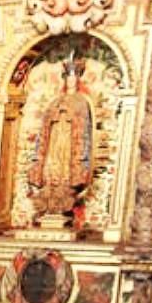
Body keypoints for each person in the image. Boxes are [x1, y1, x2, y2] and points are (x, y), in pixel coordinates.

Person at [29, 56, 94, 217]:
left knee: (66, 171)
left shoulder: (82, 101)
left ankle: (65, 196)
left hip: (71, 142)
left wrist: (70, 114)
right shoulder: (55, 101)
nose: (71, 80)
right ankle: (48, 194)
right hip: (55, 141)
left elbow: (85, 128)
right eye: (68, 77)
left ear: (78, 79)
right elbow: (45, 126)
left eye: (74, 77)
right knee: (52, 169)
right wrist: (58, 114)